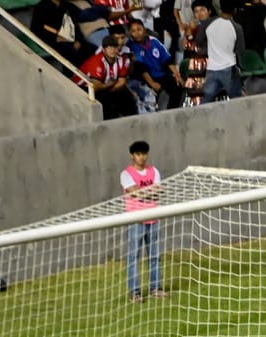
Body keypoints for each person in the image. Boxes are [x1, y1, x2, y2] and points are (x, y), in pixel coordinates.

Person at [121, 140, 165, 301]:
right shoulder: (126, 174)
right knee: (134, 257)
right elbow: (135, 193)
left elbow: (157, 192)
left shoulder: (154, 171)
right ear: (132, 156)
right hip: (135, 220)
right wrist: (147, 192)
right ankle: (135, 293)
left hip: (153, 218)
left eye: (144, 154)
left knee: (154, 256)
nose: (142, 157)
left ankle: (156, 288)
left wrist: (143, 192)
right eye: (138, 154)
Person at [128, 17, 185, 110]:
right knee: (160, 92)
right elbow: (140, 67)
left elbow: (167, 60)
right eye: (133, 31)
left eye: (139, 29)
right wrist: (152, 83)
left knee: (178, 86)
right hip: (145, 78)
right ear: (130, 33)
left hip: (161, 74)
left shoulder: (154, 41)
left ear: (144, 30)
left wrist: (177, 76)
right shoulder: (131, 46)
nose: (137, 33)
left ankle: (172, 111)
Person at [81, 35, 140, 119]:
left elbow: (122, 82)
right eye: (109, 47)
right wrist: (109, 85)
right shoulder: (97, 61)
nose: (112, 50)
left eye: (114, 47)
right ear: (104, 50)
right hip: (82, 88)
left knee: (127, 96)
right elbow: (95, 87)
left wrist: (109, 88)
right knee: (103, 102)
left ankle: (133, 121)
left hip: (105, 88)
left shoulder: (120, 59)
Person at [196, 0, 245, 101]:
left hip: (212, 69)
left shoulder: (207, 23)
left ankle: (200, 116)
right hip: (229, 69)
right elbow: (240, 51)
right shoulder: (237, 27)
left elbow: (198, 41)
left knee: (207, 98)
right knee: (236, 98)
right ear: (234, 10)